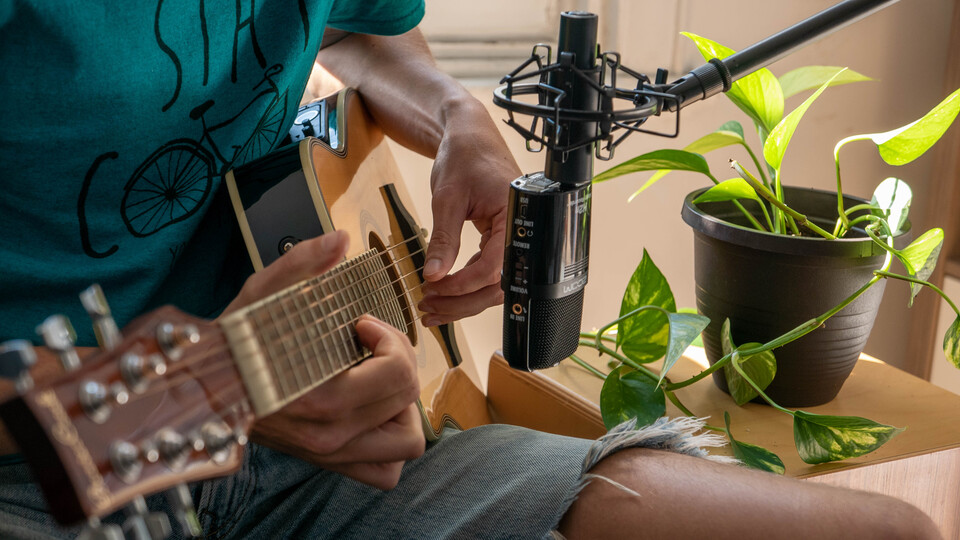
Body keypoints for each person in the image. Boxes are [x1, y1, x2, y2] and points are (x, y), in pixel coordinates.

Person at [0, 1, 940, 538]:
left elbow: (362, 31)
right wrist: (200, 393)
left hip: (319, 448)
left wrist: (456, 116)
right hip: (66, 443)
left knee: (894, 534)